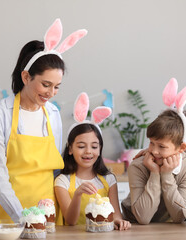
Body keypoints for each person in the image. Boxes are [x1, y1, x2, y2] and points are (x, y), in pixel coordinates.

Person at [0, 19, 87, 223]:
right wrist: (23, 217)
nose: (51, 93)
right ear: (26, 77)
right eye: (46, 84)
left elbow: (56, 169)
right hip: (7, 217)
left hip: (47, 214)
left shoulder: (53, 113)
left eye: (57, 87)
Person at [121, 79, 186, 224]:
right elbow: (143, 218)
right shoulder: (138, 165)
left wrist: (167, 175)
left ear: (181, 148)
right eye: (151, 143)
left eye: (162, 147)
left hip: (170, 229)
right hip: (134, 226)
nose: (154, 151)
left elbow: (180, 216)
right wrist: (155, 173)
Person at [54, 92, 131, 230]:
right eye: (81, 146)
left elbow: (116, 215)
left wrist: (120, 221)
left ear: (100, 149)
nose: (88, 151)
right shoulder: (62, 181)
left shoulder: (109, 179)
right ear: (70, 149)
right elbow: (70, 221)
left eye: (94, 146)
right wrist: (77, 194)